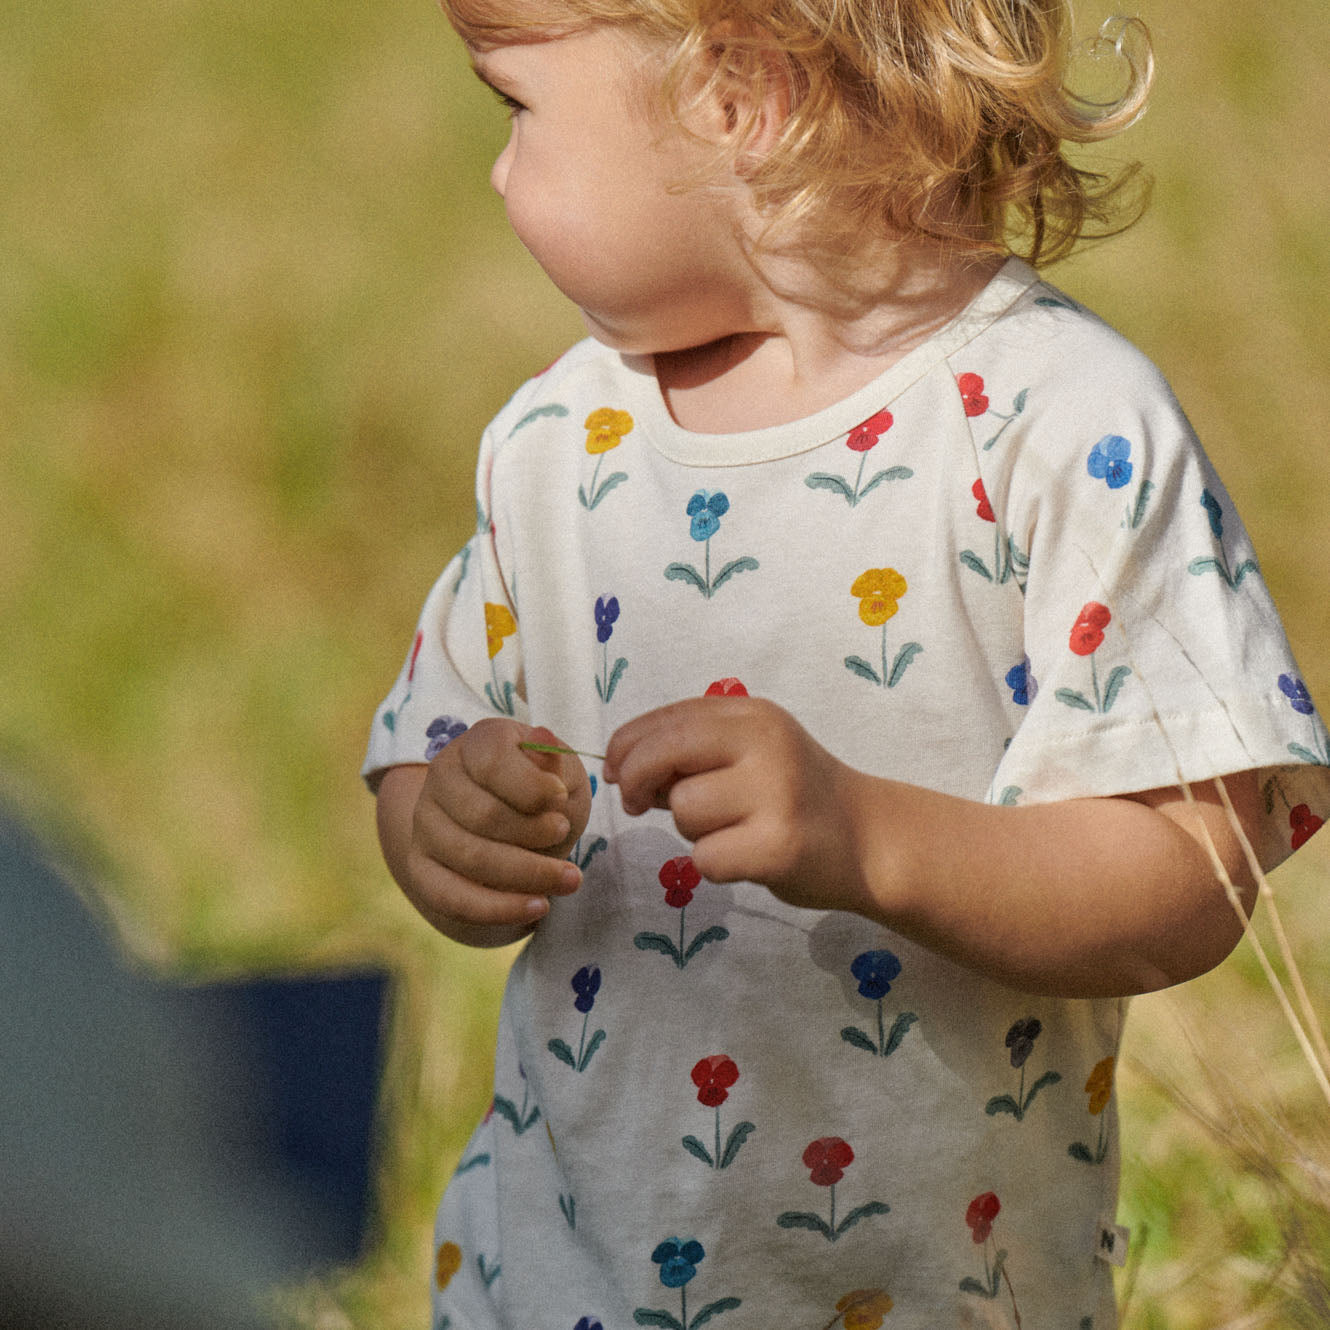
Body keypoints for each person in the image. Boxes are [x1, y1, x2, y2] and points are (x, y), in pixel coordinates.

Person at [364, 2, 1330, 1325]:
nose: (496, 170)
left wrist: (869, 838)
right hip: (557, 1283)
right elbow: (422, 755)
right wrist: (450, 826)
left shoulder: (1058, 427)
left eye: (514, 105)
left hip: (937, 1292)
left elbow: (1190, 865)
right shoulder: (557, 441)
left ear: (737, 93)